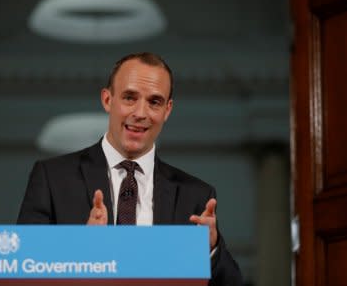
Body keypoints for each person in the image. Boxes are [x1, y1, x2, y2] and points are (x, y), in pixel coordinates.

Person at [18, 52, 242, 285]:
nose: (140, 113)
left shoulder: (196, 196)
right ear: (107, 100)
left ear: (167, 110)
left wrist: (211, 251)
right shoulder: (52, 178)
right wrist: (80, 248)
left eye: (154, 102)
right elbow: (20, 272)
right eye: (129, 98)